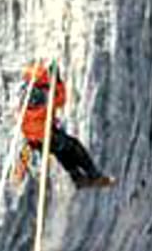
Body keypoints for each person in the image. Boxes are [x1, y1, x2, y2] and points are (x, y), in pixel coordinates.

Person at [15, 62, 115, 190]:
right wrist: (57, 83)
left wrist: (55, 82)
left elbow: (56, 101)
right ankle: (93, 175)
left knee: (62, 151)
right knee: (72, 146)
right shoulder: (41, 99)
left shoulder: (29, 88)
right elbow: (60, 100)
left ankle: (78, 178)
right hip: (43, 135)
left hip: (37, 135)